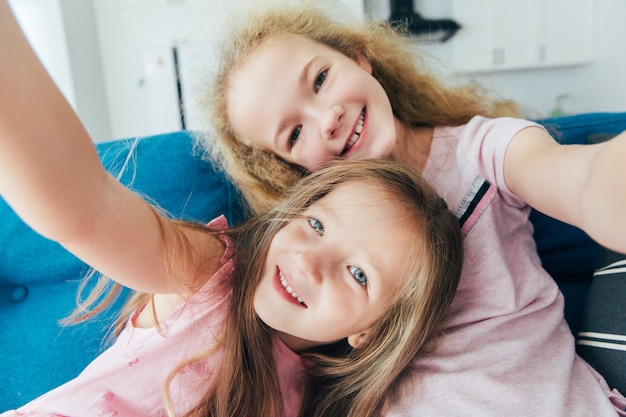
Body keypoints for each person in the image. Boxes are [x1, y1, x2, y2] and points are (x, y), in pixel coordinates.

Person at [0, 2, 463, 416]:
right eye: (317, 225)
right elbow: (85, 207)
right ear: (294, 202)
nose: (309, 261)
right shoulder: (212, 278)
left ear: (373, 332)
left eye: (359, 274)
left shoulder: (319, 401)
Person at [198, 2, 626, 415]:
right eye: (293, 134)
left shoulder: (479, 152)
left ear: (358, 57)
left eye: (321, 78)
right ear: (286, 164)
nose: (326, 119)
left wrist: (595, 188)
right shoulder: (307, 254)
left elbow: (572, 178)